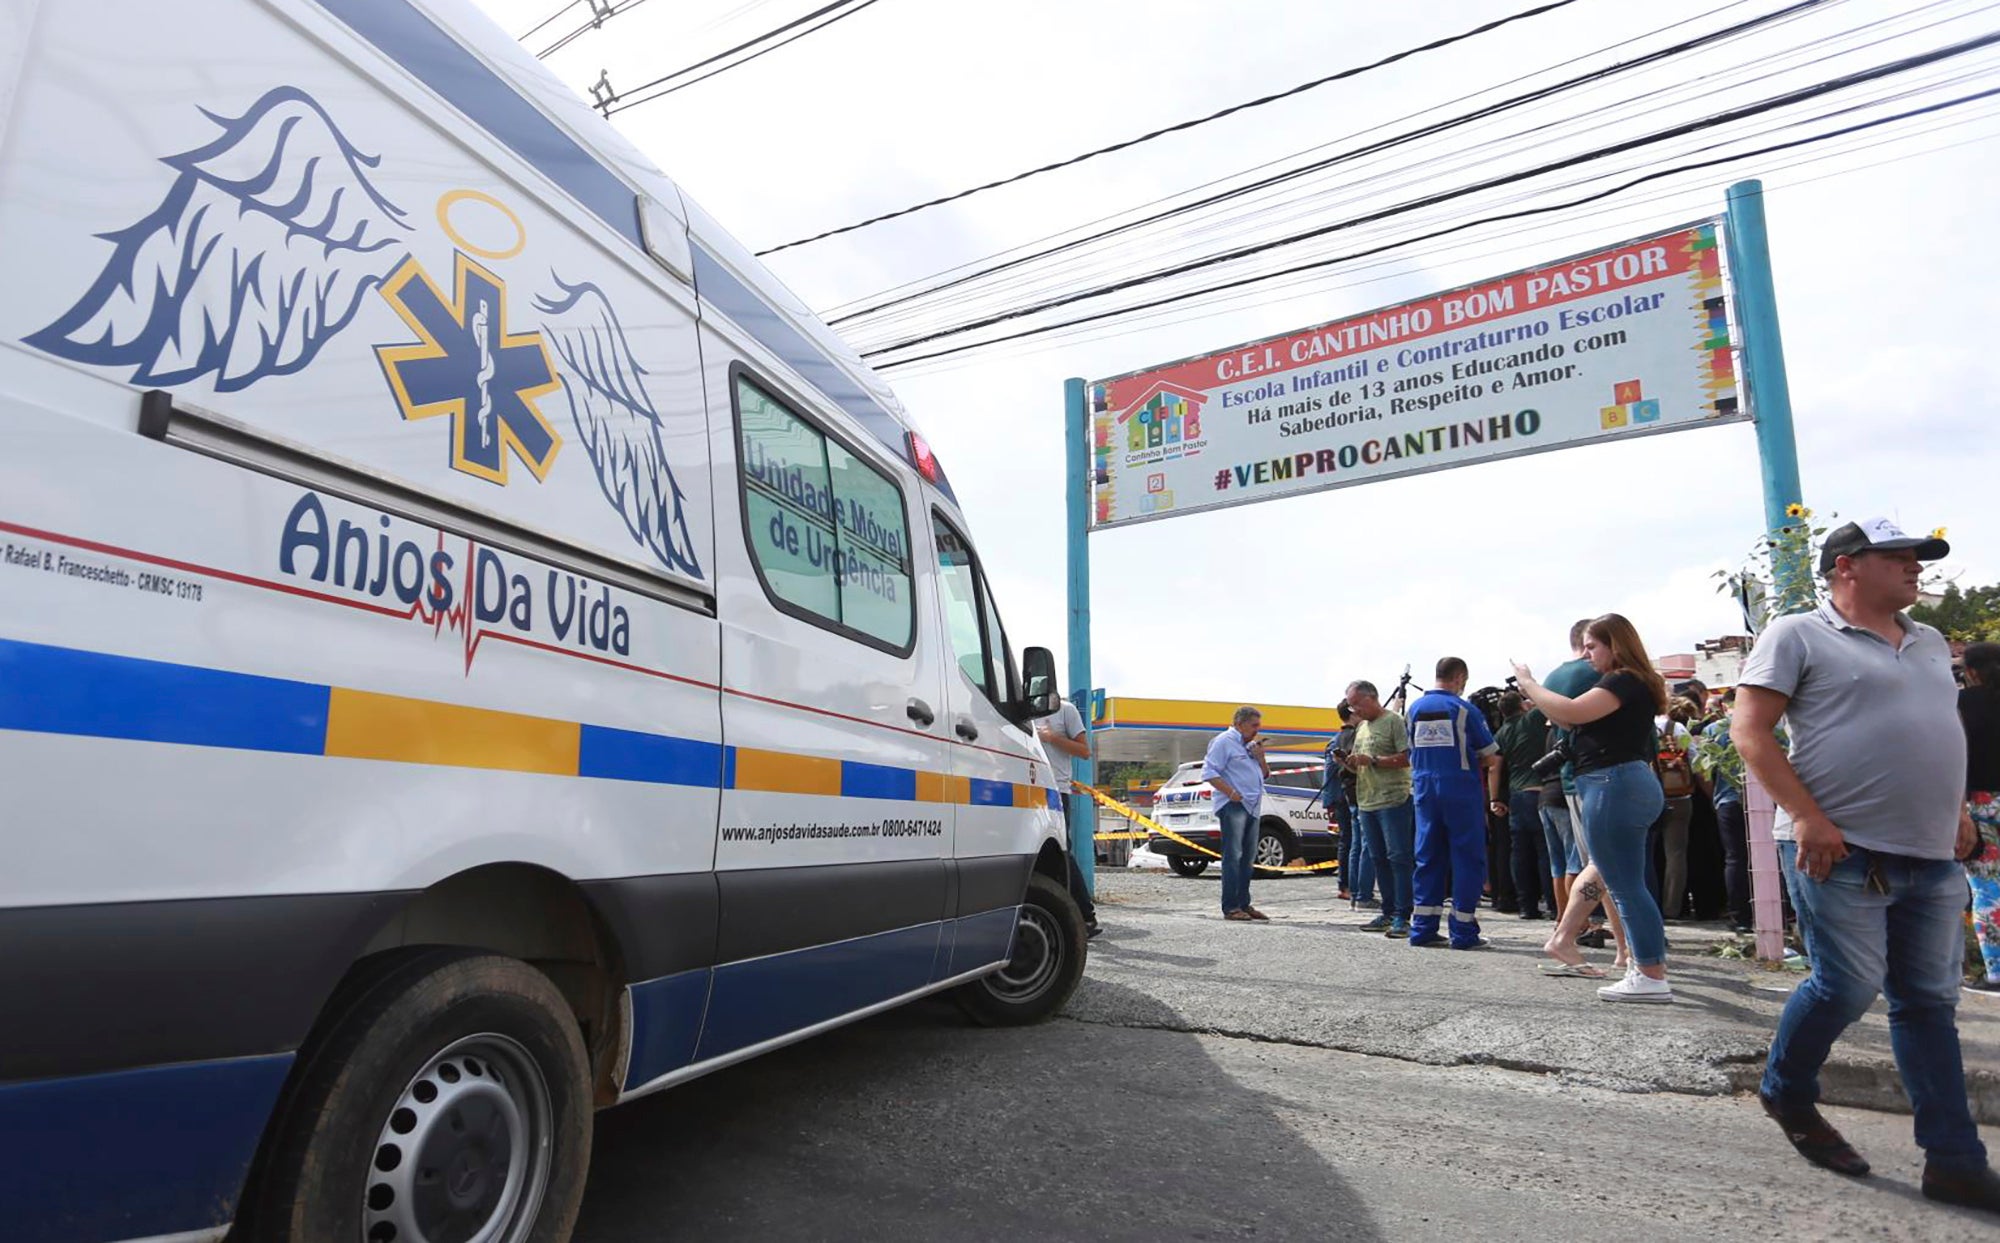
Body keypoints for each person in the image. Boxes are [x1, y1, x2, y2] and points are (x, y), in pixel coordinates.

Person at [1737, 518, 2000, 1210]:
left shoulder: (1931, 640)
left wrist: (1958, 808)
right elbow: (1749, 731)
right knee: (1847, 987)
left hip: (1930, 852)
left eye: (1919, 558)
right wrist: (1809, 817)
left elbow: (1933, 731)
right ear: (1848, 565)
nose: (1917, 567)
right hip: (1837, 848)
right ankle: (1787, 1090)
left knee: (1928, 1005)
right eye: (1901, 557)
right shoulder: (1796, 633)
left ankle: (1954, 1160)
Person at [1513, 613, 1673, 1003]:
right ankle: (1646, 967)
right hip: (1625, 783)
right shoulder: (1633, 683)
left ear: (1615, 646)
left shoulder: (1622, 680)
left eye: (1592, 646)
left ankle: (1649, 973)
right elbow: (1569, 717)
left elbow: (1570, 712)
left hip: (1611, 784)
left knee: (1625, 886)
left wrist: (1530, 683)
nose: (1586, 655)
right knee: (1627, 882)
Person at [1533, 619, 1631, 974]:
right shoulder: (1610, 676)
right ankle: (1610, 945)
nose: (1592, 655)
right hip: (1607, 778)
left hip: (1573, 780)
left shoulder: (1556, 678)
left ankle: (1580, 936)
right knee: (1608, 864)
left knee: (1584, 863)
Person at [1406, 658, 1502, 948]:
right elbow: (1490, 754)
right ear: (1459, 677)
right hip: (1459, 790)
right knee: (1467, 857)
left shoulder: (1413, 710)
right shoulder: (1464, 709)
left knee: (1428, 856)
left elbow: (1411, 751)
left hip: (1424, 790)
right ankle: (1463, 932)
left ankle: (1422, 928)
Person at [1345, 680, 1415, 938]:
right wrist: (1349, 762)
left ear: (1370, 698)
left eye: (1356, 704)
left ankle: (1403, 915)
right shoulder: (1362, 727)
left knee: (1399, 857)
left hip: (1393, 799)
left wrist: (1373, 760)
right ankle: (1387, 912)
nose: (1354, 710)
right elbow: (1360, 763)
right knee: (1378, 859)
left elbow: (1407, 757)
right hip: (1367, 801)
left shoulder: (1395, 721)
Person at [1036, 694, 1102, 939]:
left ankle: (1086, 916)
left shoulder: (1066, 710)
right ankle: (1055, 916)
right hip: (1023, 787)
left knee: (1061, 852)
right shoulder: (1023, 711)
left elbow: (1084, 751)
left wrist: (1052, 738)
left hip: (1055, 789)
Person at [1203, 706, 1271, 922]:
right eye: (1254, 725)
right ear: (1240, 724)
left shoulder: (1250, 745)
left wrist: (1260, 758)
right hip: (1234, 805)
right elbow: (1209, 772)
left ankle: (1244, 903)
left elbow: (1265, 775)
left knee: (1248, 857)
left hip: (1253, 805)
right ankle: (1231, 907)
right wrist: (1230, 793)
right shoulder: (1224, 742)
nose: (1257, 730)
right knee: (1233, 856)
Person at [1695, 688, 1754, 933]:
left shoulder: (1714, 730)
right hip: (1761, 798)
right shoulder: (1767, 724)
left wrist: (1713, 796)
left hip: (1727, 798)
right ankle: (1777, 912)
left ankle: (1740, 916)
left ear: (1725, 705)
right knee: (1768, 856)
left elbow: (1702, 769)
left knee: (1735, 857)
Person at [1493, 690, 1554, 919]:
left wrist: (1494, 798)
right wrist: (1530, 696)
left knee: (1519, 852)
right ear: (1522, 705)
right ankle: (1552, 903)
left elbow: (1494, 768)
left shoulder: (1501, 733)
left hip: (1515, 794)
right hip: (1539, 790)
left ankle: (1526, 906)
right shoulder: (1532, 719)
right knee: (1544, 851)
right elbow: (1547, 700)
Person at [1965, 643, 2000, 990]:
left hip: (1983, 805)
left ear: (1973, 671)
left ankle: (1997, 973)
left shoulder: (1963, 705)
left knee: (1988, 890)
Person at [1651, 700, 1697, 920]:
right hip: (1678, 796)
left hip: (1647, 796)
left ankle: (1648, 903)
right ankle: (1672, 908)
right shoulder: (1678, 729)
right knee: (1676, 854)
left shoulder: (1640, 727)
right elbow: (1695, 762)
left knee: (1645, 853)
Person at [1327, 703, 1375, 905]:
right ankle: (1352, 887)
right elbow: (1335, 771)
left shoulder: (1336, 739)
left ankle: (1348, 887)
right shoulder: (1350, 737)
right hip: (1349, 794)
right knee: (1354, 842)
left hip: (1341, 795)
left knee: (1349, 842)